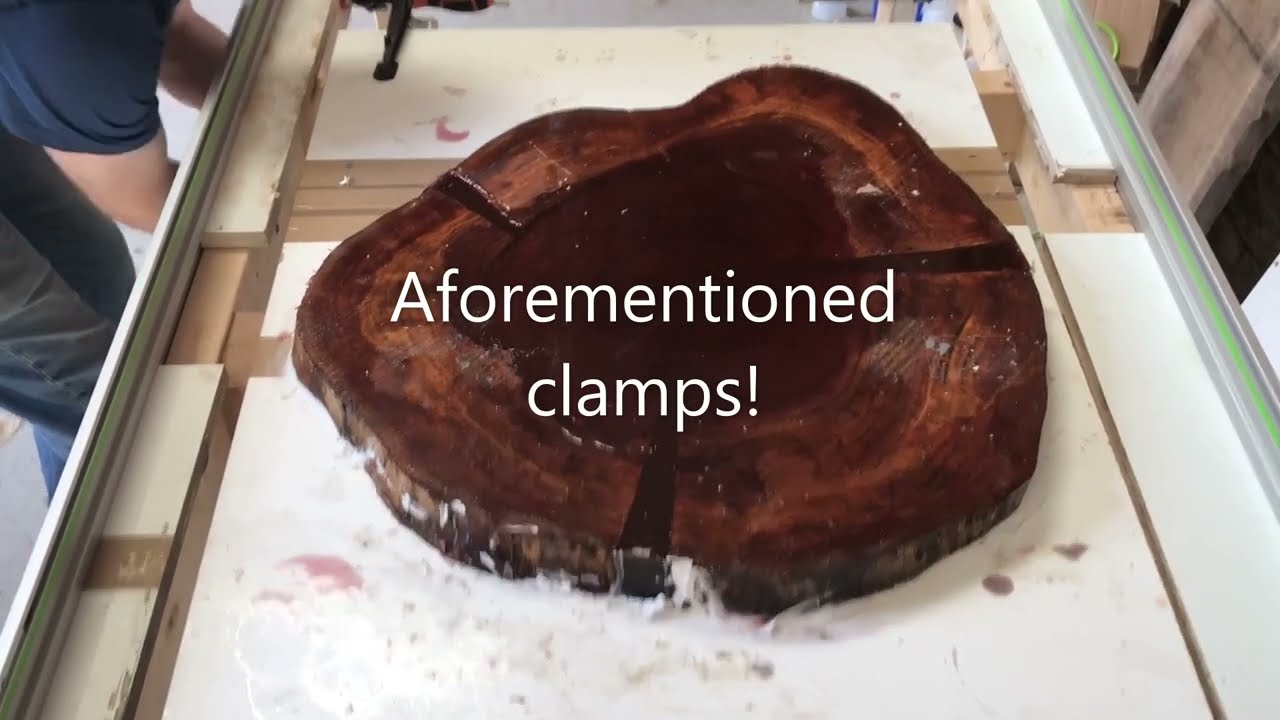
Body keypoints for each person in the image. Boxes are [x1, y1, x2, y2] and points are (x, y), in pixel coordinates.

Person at [0, 0, 228, 499]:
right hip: (50, 35)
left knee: (98, 274)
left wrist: (295, 112)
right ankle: (107, 556)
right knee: (107, 404)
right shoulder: (69, 32)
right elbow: (145, 201)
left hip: (39, 41)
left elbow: (176, 33)